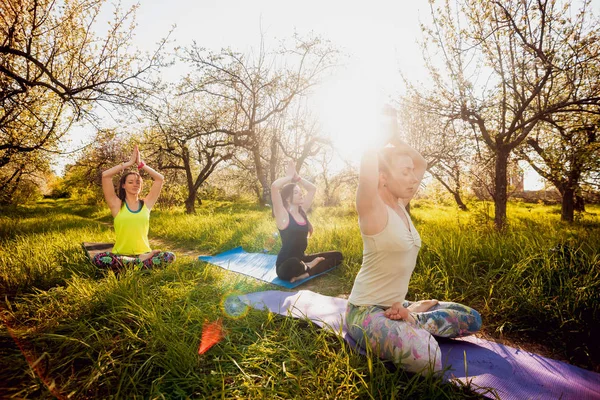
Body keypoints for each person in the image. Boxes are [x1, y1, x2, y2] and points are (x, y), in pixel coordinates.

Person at [346, 107, 481, 375]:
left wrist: (396, 140)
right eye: (404, 172)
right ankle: (410, 320)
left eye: (411, 172)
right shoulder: (372, 207)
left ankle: (412, 315)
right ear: (383, 177)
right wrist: (380, 137)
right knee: (427, 358)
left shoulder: (400, 204)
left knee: (472, 319)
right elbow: (367, 172)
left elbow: (421, 163)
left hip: (398, 306)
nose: (413, 177)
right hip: (365, 312)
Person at [92, 145, 175, 272]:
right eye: (130, 182)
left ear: (141, 186)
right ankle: (139, 263)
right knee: (99, 259)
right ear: (123, 185)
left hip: (145, 252)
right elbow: (105, 176)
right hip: (120, 254)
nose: (135, 185)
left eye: (138, 182)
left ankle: (131, 265)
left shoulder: (146, 204)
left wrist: (142, 165)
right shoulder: (116, 205)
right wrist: (129, 163)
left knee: (169, 256)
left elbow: (159, 179)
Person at [270, 160, 343, 283]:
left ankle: (306, 272)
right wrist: (288, 177)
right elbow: (274, 187)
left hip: (302, 258)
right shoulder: (283, 215)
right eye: (296, 192)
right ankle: (307, 266)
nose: (301, 194)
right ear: (287, 198)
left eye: (300, 192)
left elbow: (312, 189)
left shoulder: (302, 211)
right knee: (294, 264)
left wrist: (297, 178)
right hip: (286, 265)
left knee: (337, 256)